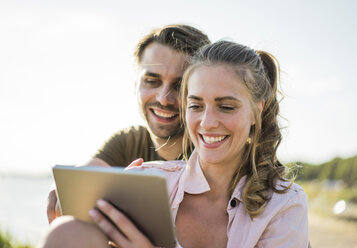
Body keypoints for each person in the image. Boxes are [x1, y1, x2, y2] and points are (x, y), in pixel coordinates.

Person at [39, 40, 309, 248]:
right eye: (195, 105)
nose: (207, 122)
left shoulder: (285, 205)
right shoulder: (147, 183)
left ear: (257, 111)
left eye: (226, 107)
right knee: (67, 230)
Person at [46, 24, 211, 223]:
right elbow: (86, 175)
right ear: (136, 85)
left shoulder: (215, 150)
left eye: (180, 86)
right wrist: (65, 188)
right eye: (152, 81)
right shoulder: (128, 141)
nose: (164, 98)